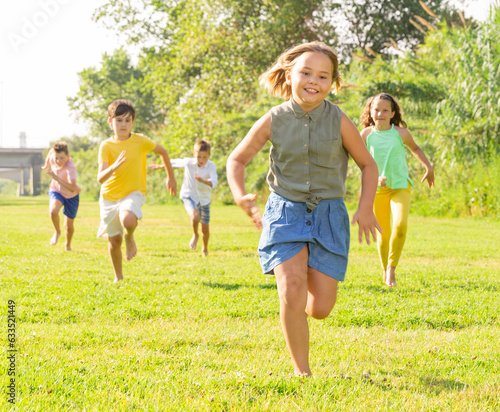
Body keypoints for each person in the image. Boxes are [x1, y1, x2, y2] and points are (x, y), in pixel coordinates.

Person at [226, 41, 381, 377]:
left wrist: (365, 208)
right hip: (285, 212)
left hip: (329, 216)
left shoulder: (338, 119)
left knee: (321, 308)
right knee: (292, 289)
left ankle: (299, 306)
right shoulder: (273, 119)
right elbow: (237, 159)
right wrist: (240, 195)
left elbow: (368, 166)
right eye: (306, 72)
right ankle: (302, 372)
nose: (314, 80)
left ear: (332, 82)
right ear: (290, 74)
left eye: (323, 76)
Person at [97, 99, 177, 283]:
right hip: (109, 197)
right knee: (114, 241)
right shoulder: (106, 146)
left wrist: (170, 177)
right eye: (119, 120)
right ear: (110, 122)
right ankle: (118, 277)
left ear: (132, 122)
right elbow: (100, 178)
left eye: (127, 120)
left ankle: (130, 236)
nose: (123, 125)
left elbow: (163, 152)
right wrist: (114, 167)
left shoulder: (140, 141)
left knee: (128, 218)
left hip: (133, 192)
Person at [360, 93, 435, 288]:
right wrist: (373, 177)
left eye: (385, 110)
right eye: (376, 109)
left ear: (393, 113)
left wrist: (429, 167)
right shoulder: (366, 135)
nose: (380, 113)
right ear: (370, 111)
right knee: (383, 234)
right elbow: (360, 160)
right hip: (377, 190)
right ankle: (384, 269)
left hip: (400, 186)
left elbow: (416, 149)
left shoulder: (401, 133)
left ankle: (392, 269)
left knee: (400, 225)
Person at [150, 139, 218, 256]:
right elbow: (172, 162)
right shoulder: (188, 163)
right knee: (195, 216)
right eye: (198, 157)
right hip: (189, 195)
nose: (201, 160)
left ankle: (205, 248)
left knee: (205, 229)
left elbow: (214, 182)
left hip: (204, 199)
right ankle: (195, 234)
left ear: (209, 156)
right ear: (194, 155)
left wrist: (202, 181)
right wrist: (161, 166)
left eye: (204, 157)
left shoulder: (211, 166)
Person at [42, 142, 81, 251]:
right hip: (56, 190)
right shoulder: (53, 155)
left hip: (71, 195)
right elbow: (50, 153)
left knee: (68, 226)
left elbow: (72, 188)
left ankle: (68, 244)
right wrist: (46, 164)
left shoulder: (70, 167)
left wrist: (56, 178)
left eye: (62, 158)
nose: (58, 161)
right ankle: (57, 232)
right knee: (53, 211)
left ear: (68, 157)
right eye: (56, 158)